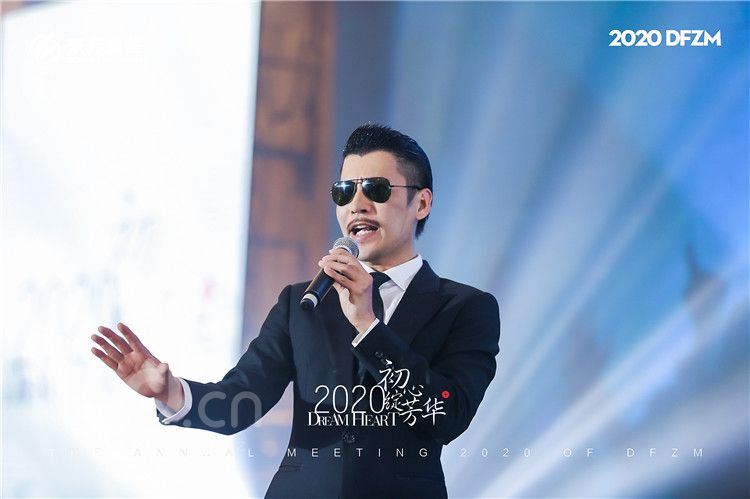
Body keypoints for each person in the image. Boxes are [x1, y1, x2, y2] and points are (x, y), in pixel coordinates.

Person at [90, 123, 501, 498]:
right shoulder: (303, 302)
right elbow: (241, 400)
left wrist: (367, 324)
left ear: (421, 203)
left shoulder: (466, 308)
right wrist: (171, 393)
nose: (357, 205)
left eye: (376, 189)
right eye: (344, 192)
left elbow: (446, 415)